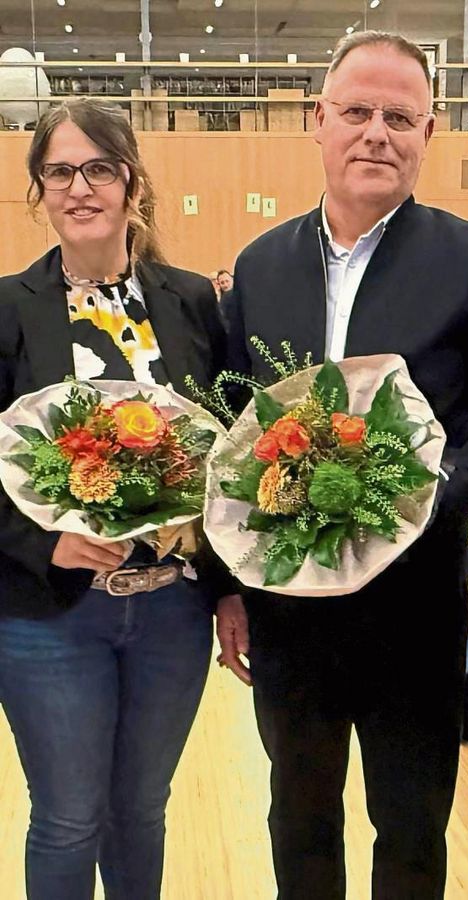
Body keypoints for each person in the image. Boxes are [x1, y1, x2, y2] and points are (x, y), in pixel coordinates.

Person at [220, 30, 468, 900]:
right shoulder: (259, 265)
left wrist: (431, 501)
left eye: (400, 117)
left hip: (416, 603)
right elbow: (230, 431)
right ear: (317, 120)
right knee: (299, 816)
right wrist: (227, 585)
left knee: (411, 824)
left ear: (428, 132)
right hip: (289, 609)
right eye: (357, 111)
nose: (376, 133)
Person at [0, 98, 238, 900]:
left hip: (172, 611)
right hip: (50, 615)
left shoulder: (192, 301)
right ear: (39, 189)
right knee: (68, 818)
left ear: (132, 182)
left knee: (140, 812)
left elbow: (226, 456)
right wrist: (46, 542)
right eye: (60, 172)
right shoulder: (7, 308)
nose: (80, 187)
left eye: (99, 168)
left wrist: (228, 590)